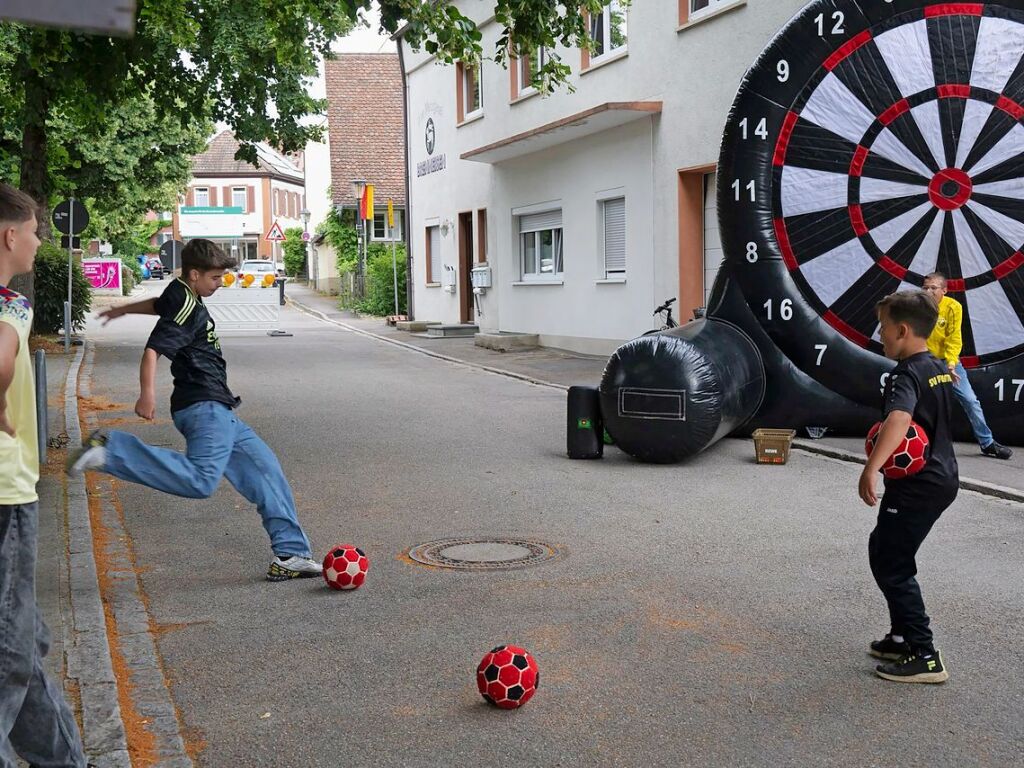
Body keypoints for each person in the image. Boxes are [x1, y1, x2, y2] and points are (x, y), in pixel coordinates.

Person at [66, 238, 321, 582]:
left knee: (265, 471)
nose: (219, 284)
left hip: (221, 409)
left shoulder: (181, 293)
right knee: (201, 480)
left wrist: (123, 309)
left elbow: (159, 304)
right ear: (195, 274)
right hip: (204, 405)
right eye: (215, 278)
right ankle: (111, 451)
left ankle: (292, 554)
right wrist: (146, 395)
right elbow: (153, 350)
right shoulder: (186, 306)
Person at [0, 183, 91, 766]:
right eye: (34, 231)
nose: (39, 242)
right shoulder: (10, 303)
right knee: (10, 653)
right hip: (6, 496)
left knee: (23, 646)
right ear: (10, 235)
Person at [859, 290, 958, 684]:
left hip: (919, 485)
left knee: (893, 564)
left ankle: (925, 654)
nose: (879, 335)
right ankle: (900, 638)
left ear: (902, 330)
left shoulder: (905, 374)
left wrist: (870, 468)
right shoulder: (935, 365)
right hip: (940, 477)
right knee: (883, 549)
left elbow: (899, 418)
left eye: (883, 328)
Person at [922, 272, 1012, 460]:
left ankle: (987, 444)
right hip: (924, 363)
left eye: (933, 288)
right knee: (919, 403)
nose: (928, 291)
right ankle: (917, 444)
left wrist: (952, 364)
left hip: (948, 363)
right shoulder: (916, 306)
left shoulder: (953, 307)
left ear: (944, 290)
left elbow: (954, 339)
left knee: (971, 401)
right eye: (925, 288)